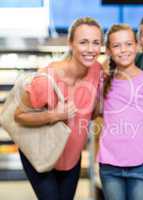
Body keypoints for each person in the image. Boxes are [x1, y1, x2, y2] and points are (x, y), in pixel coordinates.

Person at [14, 17, 103, 200]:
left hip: (71, 158)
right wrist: (54, 115)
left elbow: (92, 111)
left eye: (96, 43)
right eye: (83, 42)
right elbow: (19, 116)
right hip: (41, 156)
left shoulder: (97, 71)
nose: (90, 49)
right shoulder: (46, 78)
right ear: (71, 43)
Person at [96, 24, 143, 200]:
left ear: (137, 46)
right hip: (109, 165)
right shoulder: (104, 82)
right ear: (109, 51)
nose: (123, 50)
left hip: (142, 166)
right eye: (117, 45)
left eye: (128, 44)